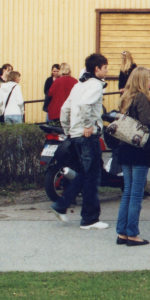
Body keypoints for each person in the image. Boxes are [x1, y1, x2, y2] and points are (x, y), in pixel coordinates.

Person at [51, 53, 109, 228]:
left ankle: (63, 206)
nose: (107, 71)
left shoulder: (78, 85)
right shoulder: (96, 85)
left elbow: (65, 109)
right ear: (97, 68)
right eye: (105, 67)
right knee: (92, 176)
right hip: (88, 135)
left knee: (86, 173)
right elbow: (85, 105)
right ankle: (89, 218)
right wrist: (88, 125)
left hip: (76, 135)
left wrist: (69, 130)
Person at [114, 66, 150, 246]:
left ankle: (122, 232)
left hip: (124, 146)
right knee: (137, 193)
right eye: (149, 78)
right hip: (138, 149)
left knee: (128, 191)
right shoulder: (142, 98)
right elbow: (145, 122)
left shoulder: (125, 98)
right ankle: (132, 233)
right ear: (142, 81)